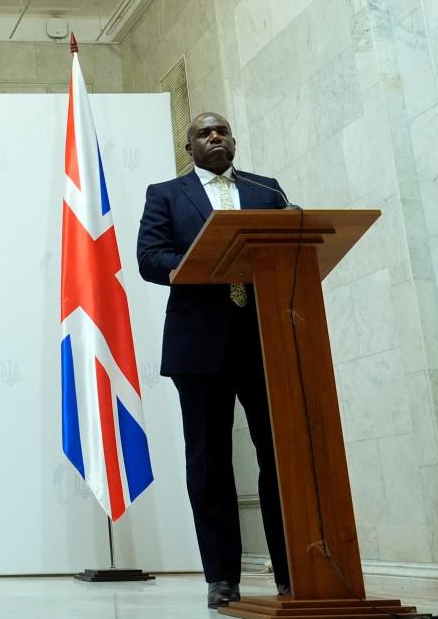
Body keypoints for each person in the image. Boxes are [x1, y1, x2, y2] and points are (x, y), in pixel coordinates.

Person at [136, 111, 291, 608]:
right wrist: (190, 264)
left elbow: (291, 247)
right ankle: (221, 577)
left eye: (222, 130)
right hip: (199, 345)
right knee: (210, 463)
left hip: (268, 341)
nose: (215, 137)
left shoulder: (266, 191)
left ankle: (292, 570)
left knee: (280, 460)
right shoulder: (165, 194)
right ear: (190, 147)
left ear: (235, 141)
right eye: (204, 132)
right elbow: (149, 256)